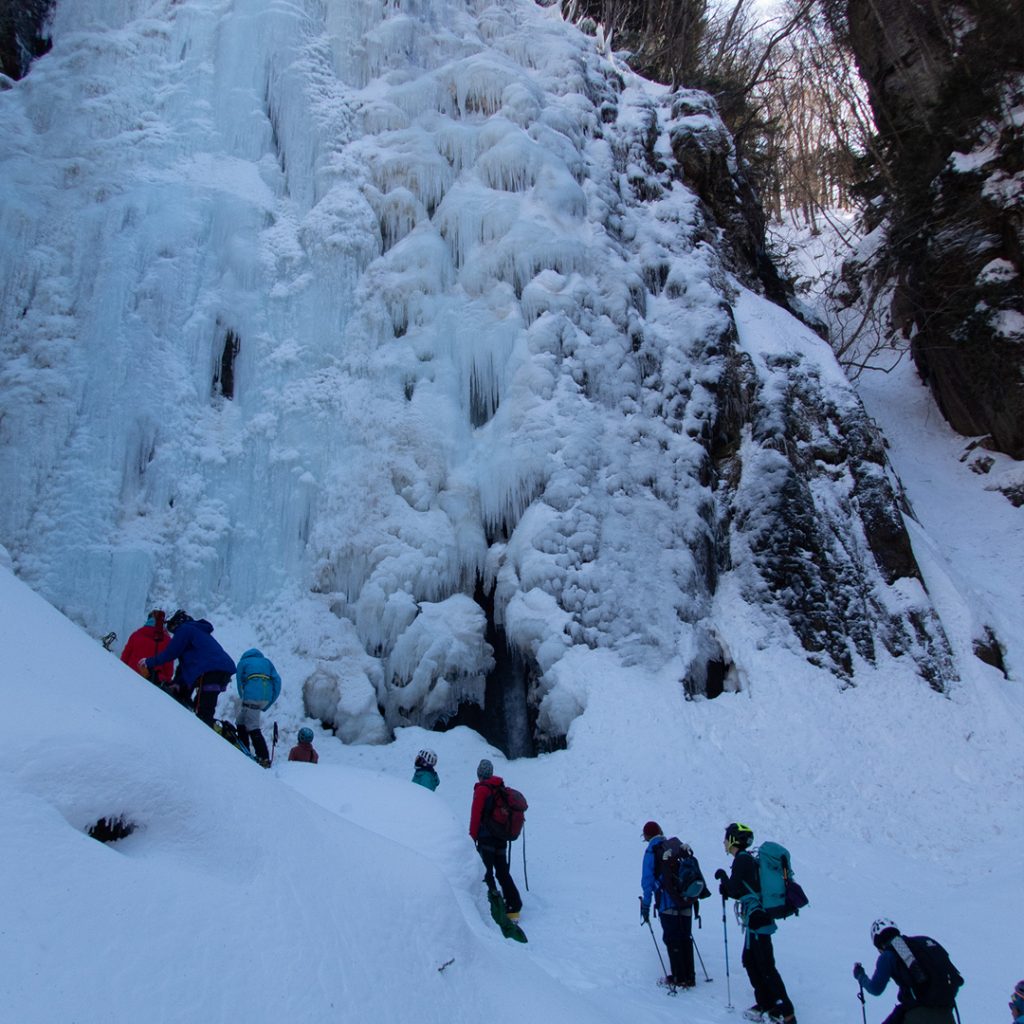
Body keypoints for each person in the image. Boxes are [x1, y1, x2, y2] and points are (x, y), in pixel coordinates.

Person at [715, 822, 796, 1024]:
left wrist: (723, 878)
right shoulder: (747, 859)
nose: (724, 842)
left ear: (734, 839)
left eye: (726, 838)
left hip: (757, 918)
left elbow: (734, 889)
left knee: (765, 965)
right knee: (751, 960)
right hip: (757, 918)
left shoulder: (742, 860)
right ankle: (766, 1003)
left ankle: (786, 1011)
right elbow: (741, 889)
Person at [853, 919, 961, 1024]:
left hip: (919, 1015)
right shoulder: (922, 942)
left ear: (879, 945)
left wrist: (860, 975)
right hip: (947, 1013)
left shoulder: (888, 955)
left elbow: (875, 988)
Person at [140, 609, 236, 727]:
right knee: (203, 707)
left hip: (210, 671)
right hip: (222, 671)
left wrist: (148, 662)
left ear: (177, 623)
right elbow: (186, 666)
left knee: (203, 714)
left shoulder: (185, 629)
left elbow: (170, 653)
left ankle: (204, 734)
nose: (174, 634)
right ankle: (212, 730)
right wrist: (178, 683)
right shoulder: (198, 632)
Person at [640, 821, 696, 989]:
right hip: (686, 900)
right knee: (685, 937)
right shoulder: (675, 846)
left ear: (647, 836)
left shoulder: (652, 850)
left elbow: (647, 881)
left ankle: (678, 978)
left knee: (672, 939)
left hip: (667, 902)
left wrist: (646, 905)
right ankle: (690, 977)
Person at [469, 758, 522, 921]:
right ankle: (514, 907)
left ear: (479, 774)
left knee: (486, 873)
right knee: (502, 872)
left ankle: (493, 906)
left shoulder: (482, 790)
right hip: (501, 837)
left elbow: (476, 815)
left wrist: (472, 837)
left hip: (486, 838)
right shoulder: (500, 787)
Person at [234, 648, 281, 766]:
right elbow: (277, 681)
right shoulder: (267, 662)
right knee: (240, 721)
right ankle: (243, 748)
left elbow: (239, 683)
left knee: (252, 726)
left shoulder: (242, 663)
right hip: (266, 697)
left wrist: (243, 698)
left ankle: (264, 757)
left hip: (251, 697)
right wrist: (269, 702)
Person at [120, 610, 173, 688]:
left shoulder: (136, 635)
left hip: (130, 678)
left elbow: (124, 659)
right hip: (154, 685)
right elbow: (169, 671)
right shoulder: (168, 641)